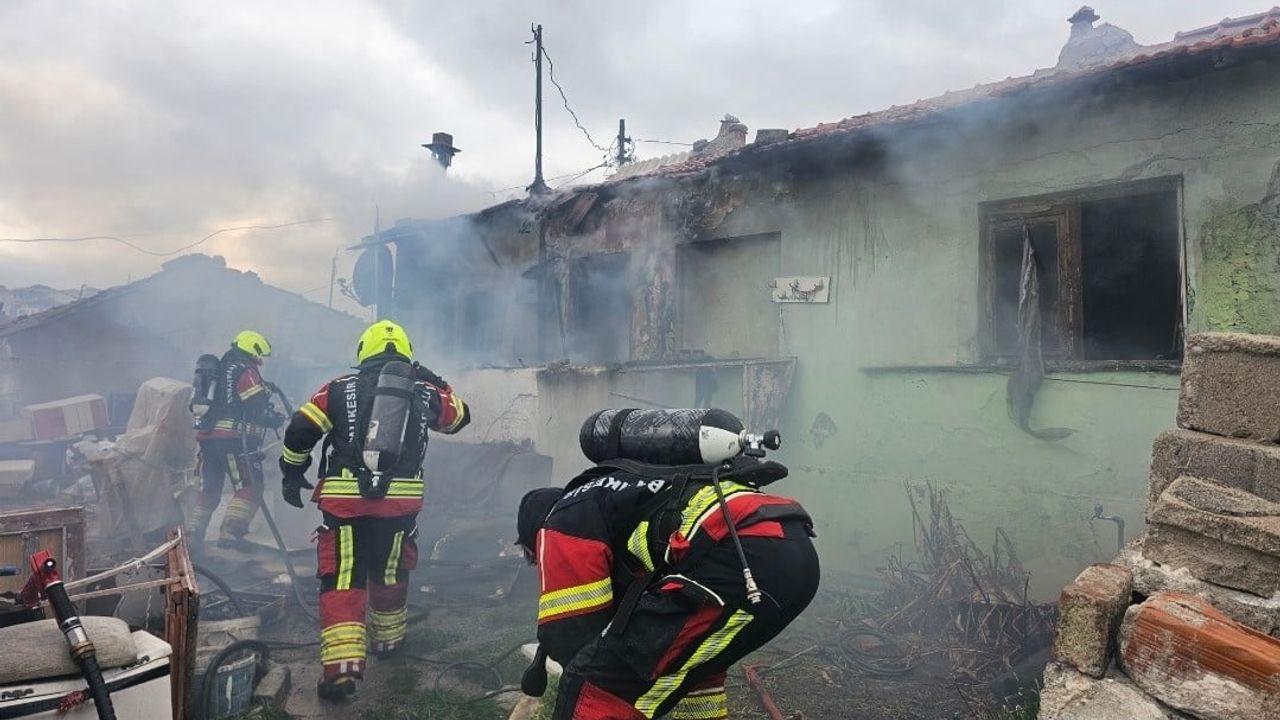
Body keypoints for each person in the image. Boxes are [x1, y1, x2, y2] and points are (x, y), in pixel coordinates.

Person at [515, 411, 820, 720]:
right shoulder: (623, 496)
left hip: (742, 555)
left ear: (534, 539)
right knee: (692, 669)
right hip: (792, 550)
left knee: (591, 686)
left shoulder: (564, 518)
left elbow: (571, 635)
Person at [278, 319, 470, 701]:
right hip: (400, 503)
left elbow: (300, 430)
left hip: (346, 502)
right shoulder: (425, 392)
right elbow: (461, 419)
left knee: (343, 575)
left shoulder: (337, 389)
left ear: (364, 351)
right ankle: (389, 641)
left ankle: (341, 670)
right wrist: (436, 381)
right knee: (390, 568)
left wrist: (292, 473)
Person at [189, 330, 284, 547]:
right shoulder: (244, 369)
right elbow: (255, 405)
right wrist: (272, 419)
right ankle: (231, 534)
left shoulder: (216, 371)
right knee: (250, 486)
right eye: (260, 357)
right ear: (253, 349)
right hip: (234, 441)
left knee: (209, 490)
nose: (260, 362)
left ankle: (192, 534)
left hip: (208, 441)